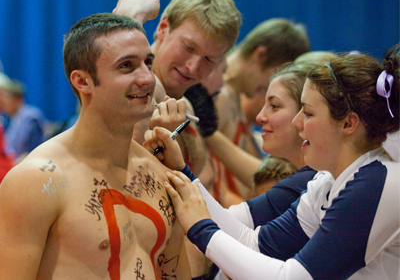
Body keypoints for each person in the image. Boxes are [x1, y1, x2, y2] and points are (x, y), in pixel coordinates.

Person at [158, 48, 400, 279]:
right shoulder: (328, 181)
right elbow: (253, 243)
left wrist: (201, 230)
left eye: (308, 113)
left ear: (348, 124)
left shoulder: (377, 183)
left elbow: (292, 276)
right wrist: (182, 172)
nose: (297, 122)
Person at [0, 13, 191, 279]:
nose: (147, 78)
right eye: (127, 65)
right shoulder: (34, 181)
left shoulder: (160, 173)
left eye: (148, 62)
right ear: (82, 81)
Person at [113, 0, 241, 179]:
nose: (192, 67)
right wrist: (131, 17)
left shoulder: (186, 107)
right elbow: (119, 178)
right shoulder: (140, 87)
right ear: (163, 28)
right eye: (188, 48)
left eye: (208, 60)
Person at [209, 18, 310, 206]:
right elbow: (208, 182)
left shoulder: (233, 98)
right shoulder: (218, 96)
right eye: (277, 73)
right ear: (261, 56)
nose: (270, 86)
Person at [2, 79, 47, 162]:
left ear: (16, 99)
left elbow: (33, 149)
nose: (4, 102)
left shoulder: (31, 118)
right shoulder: (13, 118)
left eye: (6, 98)